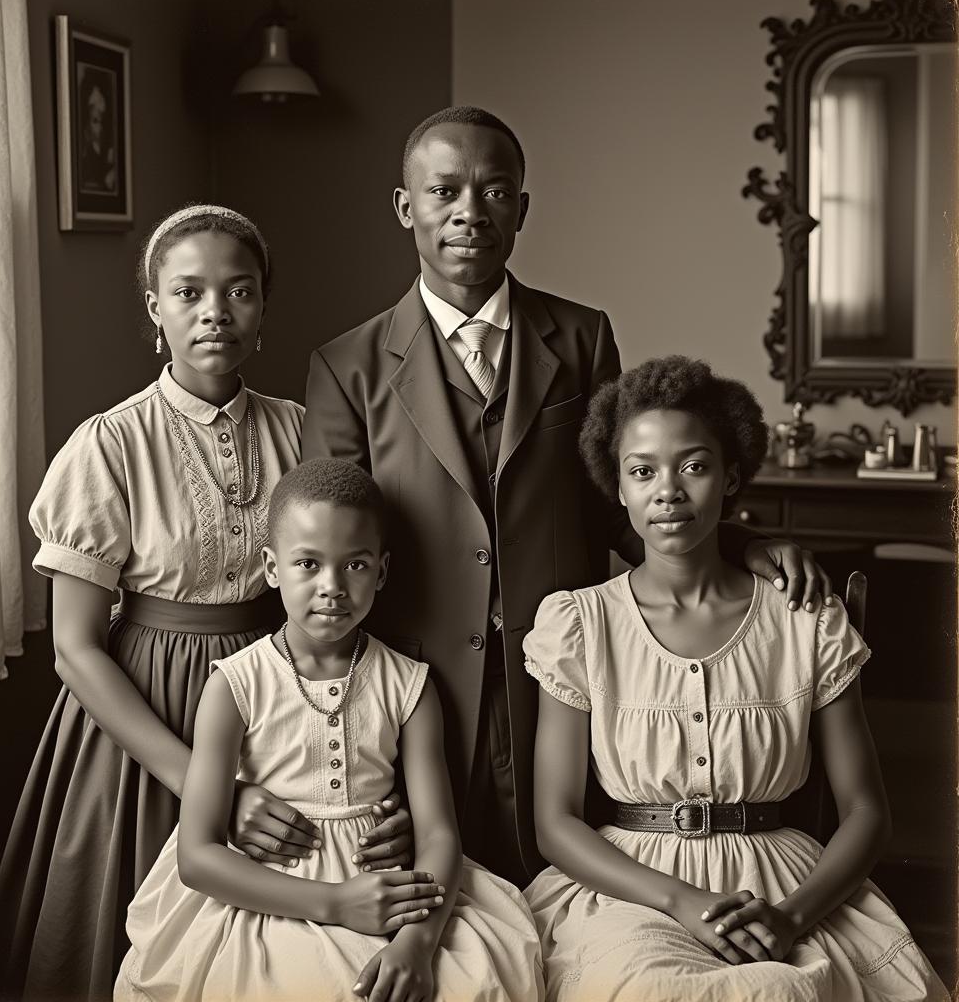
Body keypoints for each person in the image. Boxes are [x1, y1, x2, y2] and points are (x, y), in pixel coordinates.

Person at [301, 105, 834, 886]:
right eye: (444, 191)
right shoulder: (346, 365)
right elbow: (337, 562)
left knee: (558, 899)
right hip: (416, 682)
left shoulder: (582, 337)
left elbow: (620, 500)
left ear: (521, 205)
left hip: (564, 678)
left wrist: (747, 544)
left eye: (493, 190)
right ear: (405, 206)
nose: (468, 212)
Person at [0, 205, 410, 1002]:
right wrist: (207, 788)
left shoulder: (303, 432)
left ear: (262, 304)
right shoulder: (108, 445)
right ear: (155, 307)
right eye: (188, 293)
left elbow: (339, 594)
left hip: (286, 698)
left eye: (238, 291)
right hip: (146, 714)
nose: (215, 312)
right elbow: (76, 649)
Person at [523, 356, 947, 1001]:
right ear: (618, 488)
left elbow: (865, 810)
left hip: (781, 885)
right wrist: (681, 900)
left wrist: (792, 917)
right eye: (642, 472)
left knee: (781, 992)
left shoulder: (804, 621)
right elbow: (556, 820)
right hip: (633, 885)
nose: (668, 490)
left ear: (731, 476)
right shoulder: (580, 623)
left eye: (694, 465)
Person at [115, 458, 544, 1002]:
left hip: (393, 890)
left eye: (356, 565)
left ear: (382, 572)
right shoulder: (234, 686)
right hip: (268, 896)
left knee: (470, 980)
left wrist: (416, 942)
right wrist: (336, 902)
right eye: (308, 564)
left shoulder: (409, 686)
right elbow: (198, 856)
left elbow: (438, 835)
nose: (333, 587)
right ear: (272, 568)